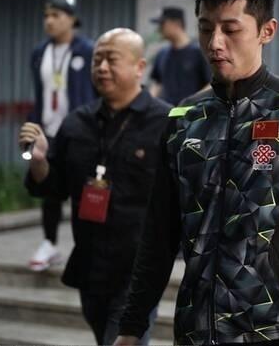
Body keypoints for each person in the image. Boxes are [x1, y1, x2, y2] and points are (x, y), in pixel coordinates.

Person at [115, 0, 279, 346]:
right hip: (195, 330)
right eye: (206, 28)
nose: (215, 43)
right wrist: (131, 326)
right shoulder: (183, 118)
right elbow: (159, 233)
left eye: (230, 29)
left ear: (267, 31)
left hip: (276, 329)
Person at [21, 28, 169, 344]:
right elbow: (53, 188)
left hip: (139, 270)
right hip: (91, 266)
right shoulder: (76, 123)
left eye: (111, 60)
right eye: (96, 60)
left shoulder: (166, 122)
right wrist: (39, 161)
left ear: (139, 67)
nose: (101, 67)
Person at [27, 0, 96, 271]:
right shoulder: (39, 52)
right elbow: (39, 93)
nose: (49, 21)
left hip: (80, 132)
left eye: (56, 15)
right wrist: (33, 127)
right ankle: (49, 243)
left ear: (71, 19)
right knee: (49, 191)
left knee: (87, 191)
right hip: (48, 132)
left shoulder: (88, 50)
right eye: (46, 16)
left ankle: (89, 247)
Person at [149, 6, 211, 105]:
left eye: (162, 24)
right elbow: (157, 83)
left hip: (193, 111)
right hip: (168, 111)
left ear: (176, 24)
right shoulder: (162, 54)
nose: (159, 29)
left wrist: (192, 102)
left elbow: (211, 84)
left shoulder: (199, 52)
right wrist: (149, 103)